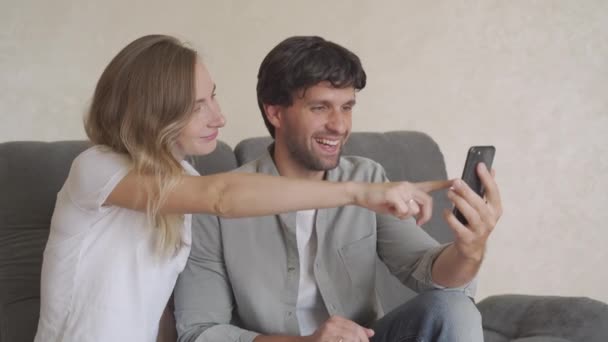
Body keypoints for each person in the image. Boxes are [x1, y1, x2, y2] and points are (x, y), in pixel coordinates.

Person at [33, 35, 451, 342]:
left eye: (213, 98)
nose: (219, 117)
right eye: (199, 106)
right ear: (154, 110)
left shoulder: (184, 185)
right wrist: (357, 193)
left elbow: (159, 311)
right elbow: (223, 198)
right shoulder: (97, 169)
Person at [174, 36, 503, 342]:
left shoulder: (369, 177)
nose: (340, 125)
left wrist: (469, 250)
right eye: (320, 107)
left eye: (347, 107)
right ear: (274, 112)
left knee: (454, 308)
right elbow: (200, 333)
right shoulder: (216, 204)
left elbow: (426, 270)